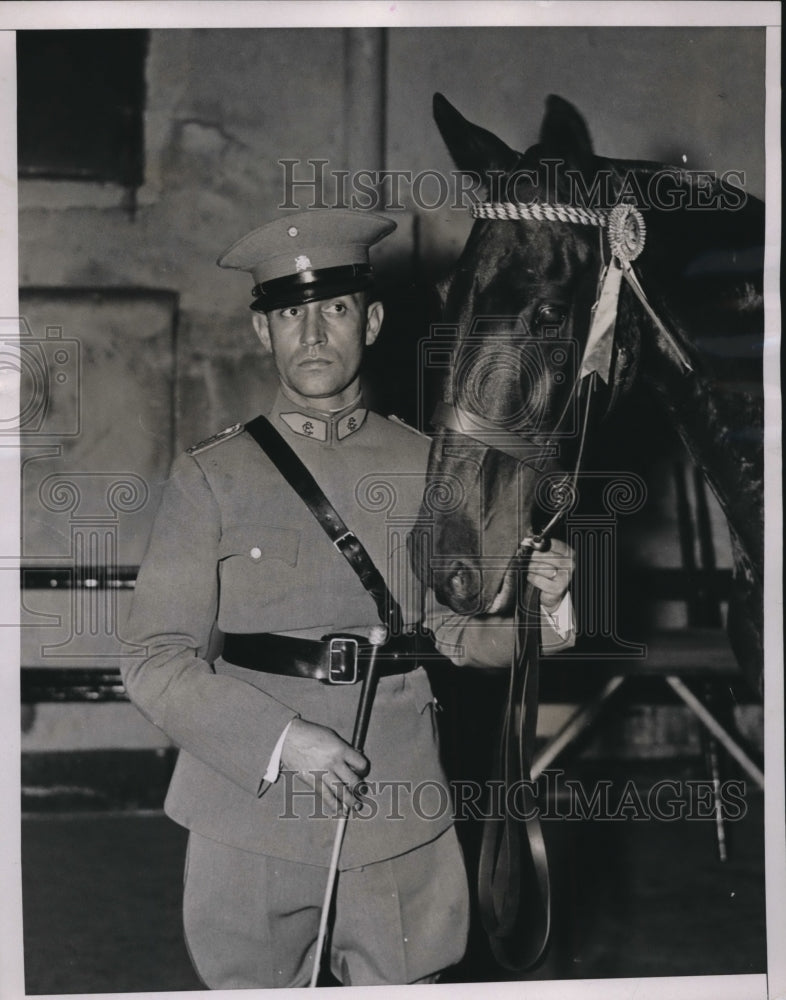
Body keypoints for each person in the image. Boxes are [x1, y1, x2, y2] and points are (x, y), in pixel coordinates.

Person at [122, 208, 574, 989]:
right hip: (249, 804)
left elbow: (457, 635)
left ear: (370, 320)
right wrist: (285, 739)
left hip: (400, 807)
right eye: (290, 314)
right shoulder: (211, 477)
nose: (313, 334)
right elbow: (154, 660)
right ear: (263, 333)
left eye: (333, 309)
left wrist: (547, 611)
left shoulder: (430, 465)